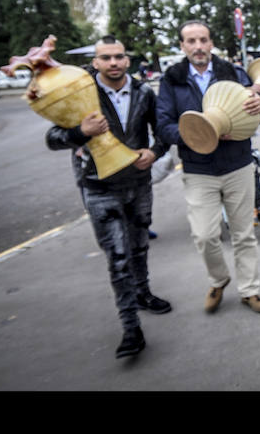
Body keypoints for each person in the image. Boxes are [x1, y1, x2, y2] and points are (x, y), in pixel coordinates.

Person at [45, 35, 172, 359]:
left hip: (138, 183)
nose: (113, 63)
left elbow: (162, 134)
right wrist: (80, 133)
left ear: (126, 60)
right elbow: (53, 139)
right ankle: (131, 328)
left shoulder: (144, 92)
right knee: (117, 258)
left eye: (118, 57)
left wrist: (153, 152)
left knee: (140, 246)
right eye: (106, 58)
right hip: (99, 187)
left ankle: (143, 293)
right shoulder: (80, 94)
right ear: (96, 62)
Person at [156, 20, 260, 314]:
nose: (198, 46)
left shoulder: (232, 73)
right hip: (198, 169)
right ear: (182, 46)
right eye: (191, 41)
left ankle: (250, 290)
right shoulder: (171, 79)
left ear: (211, 43)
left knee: (243, 233)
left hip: (237, 164)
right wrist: (197, 133)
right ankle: (218, 280)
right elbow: (163, 124)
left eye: (203, 40)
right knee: (205, 236)